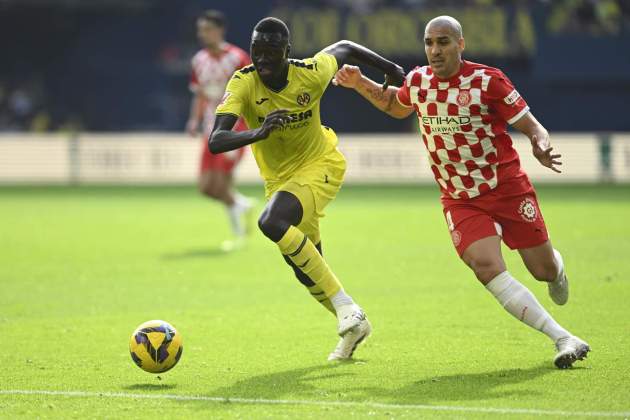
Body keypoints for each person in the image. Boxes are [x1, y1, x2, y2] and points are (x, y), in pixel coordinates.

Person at [333, 15, 590, 369]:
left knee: (543, 271)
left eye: (443, 42)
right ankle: (563, 338)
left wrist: (541, 144)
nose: (435, 50)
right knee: (485, 266)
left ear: (460, 44)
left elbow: (532, 126)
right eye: (429, 43)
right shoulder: (419, 81)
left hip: (507, 189)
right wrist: (360, 82)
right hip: (460, 197)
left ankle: (556, 268)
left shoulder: (488, 80)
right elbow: (396, 104)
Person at [209, 17, 405, 361]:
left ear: (287, 52)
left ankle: (346, 307)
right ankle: (354, 324)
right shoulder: (243, 82)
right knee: (307, 270)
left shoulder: (311, 72)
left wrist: (390, 68)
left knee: (271, 222)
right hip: (281, 181)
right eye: (258, 52)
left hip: (321, 165)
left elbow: (345, 48)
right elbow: (216, 140)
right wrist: (258, 132)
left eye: (271, 52)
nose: (263, 60)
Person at [187, 10, 254, 251]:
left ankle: (239, 235)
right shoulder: (198, 60)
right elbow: (201, 94)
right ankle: (240, 204)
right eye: (200, 30)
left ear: (219, 30)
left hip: (234, 128)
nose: (202, 34)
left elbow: (252, 91)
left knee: (222, 183)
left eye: (206, 29)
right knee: (206, 187)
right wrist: (193, 121)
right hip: (209, 128)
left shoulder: (238, 57)